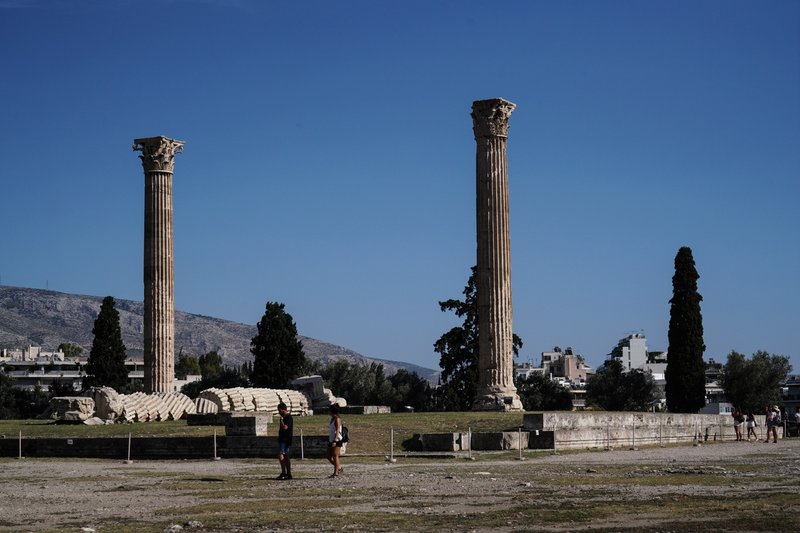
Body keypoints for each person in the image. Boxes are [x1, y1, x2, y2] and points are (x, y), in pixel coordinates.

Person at [276, 402, 293, 480]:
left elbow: (285, 427)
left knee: (281, 455)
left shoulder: (288, 417)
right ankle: (288, 473)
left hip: (285, 439)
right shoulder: (285, 417)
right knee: (285, 456)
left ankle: (284, 473)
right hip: (283, 439)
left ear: (283, 409)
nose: (279, 412)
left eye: (279, 410)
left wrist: (281, 421)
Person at [327, 403, 344, 478]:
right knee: (328, 456)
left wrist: (335, 440)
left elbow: (337, 430)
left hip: (337, 440)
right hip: (331, 439)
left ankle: (336, 473)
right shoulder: (332, 419)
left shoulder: (337, 419)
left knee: (335, 456)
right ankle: (339, 468)